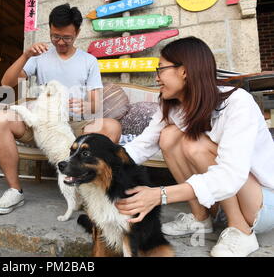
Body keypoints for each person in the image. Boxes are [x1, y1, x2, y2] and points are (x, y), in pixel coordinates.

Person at [115, 36, 274, 257]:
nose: (157, 77)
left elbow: (231, 174)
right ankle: (201, 219)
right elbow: (141, 145)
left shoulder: (237, 103)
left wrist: (159, 195)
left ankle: (241, 230)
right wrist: (98, 162)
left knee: (194, 144)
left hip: (262, 203)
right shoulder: (173, 107)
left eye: (160, 69)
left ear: (185, 71)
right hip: (222, 196)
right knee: (169, 135)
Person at [0, 4, 122, 215]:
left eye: (66, 38)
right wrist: (26, 55)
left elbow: (96, 104)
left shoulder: (88, 61)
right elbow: (6, 82)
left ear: (77, 33)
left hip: (75, 127)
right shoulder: (39, 57)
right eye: (55, 36)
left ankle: (95, 191)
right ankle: (15, 190)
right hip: (44, 125)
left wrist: (87, 105)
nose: (60, 42)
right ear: (50, 30)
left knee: (112, 126)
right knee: (0, 118)